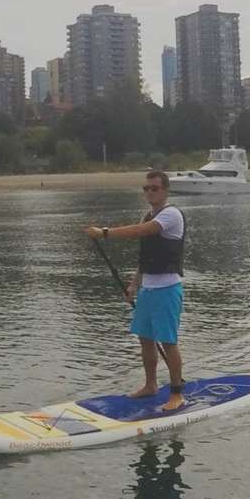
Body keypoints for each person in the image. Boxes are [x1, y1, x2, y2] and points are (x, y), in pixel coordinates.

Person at [86, 170, 187, 411]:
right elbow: (146, 258)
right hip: (148, 290)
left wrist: (105, 233)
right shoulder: (147, 215)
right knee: (145, 340)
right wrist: (134, 284)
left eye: (154, 188)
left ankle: (176, 394)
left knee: (168, 342)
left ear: (165, 190)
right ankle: (151, 385)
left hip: (167, 289)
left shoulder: (171, 215)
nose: (149, 192)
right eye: (146, 188)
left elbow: (140, 232)